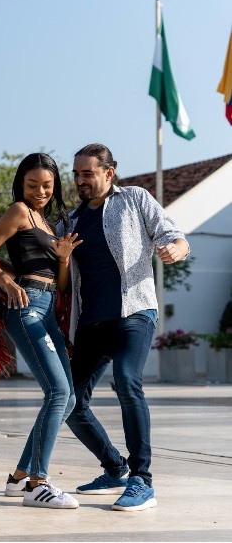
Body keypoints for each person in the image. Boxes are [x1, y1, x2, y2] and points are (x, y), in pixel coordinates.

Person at [62, 143, 190, 512]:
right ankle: (114, 468)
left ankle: (141, 479)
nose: (80, 180)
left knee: (126, 381)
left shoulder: (134, 199)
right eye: (76, 174)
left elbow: (171, 234)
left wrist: (177, 248)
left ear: (109, 172)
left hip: (134, 312)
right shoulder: (70, 220)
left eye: (88, 173)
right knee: (69, 399)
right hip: (91, 322)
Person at [0, 152, 80, 509]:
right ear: (21, 184)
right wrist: (5, 281)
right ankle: (38, 483)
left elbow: (62, 287)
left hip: (48, 310)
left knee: (69, 397)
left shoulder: (49, 225)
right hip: (25, 305)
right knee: (58, 391)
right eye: (33, 184)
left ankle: (18, 477)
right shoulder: (18, 211)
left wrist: (62, 257)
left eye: (47, 185)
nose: (40, 191)